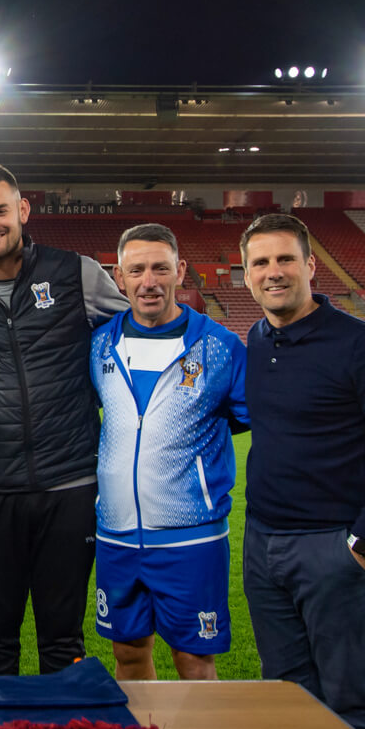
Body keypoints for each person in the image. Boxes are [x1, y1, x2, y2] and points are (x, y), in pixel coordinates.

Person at [0, 162, 128, 675]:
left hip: (69, 487)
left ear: (22, 210)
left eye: (0, 210)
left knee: (63, 641)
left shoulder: (77, 273)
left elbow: (136, 339)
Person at [240, 212, 365, 729]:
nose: (273, 272)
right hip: (263, 545)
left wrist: (362, 543)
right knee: (288, 695)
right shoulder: (255, 338)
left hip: (334, 545)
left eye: (284, 259)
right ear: (246, 274)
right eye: (261, 262)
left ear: (310, 266)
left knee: (353, 703)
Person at [89, 223, 248, 681]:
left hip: (190, 538)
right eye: (136, 270)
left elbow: (265, 415)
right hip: (116, 534)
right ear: (119, 277)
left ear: (180, 271)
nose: (149, 281)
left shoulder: (219, 347)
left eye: (160, 268)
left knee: (194, 661)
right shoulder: (100, 344)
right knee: (128, 655)